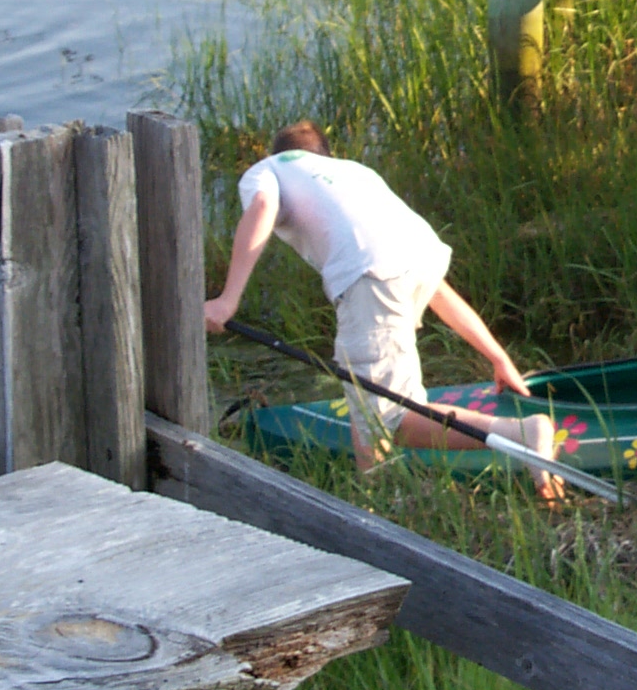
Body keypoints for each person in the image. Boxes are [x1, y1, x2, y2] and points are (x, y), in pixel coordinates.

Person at [202, 120, 563, 499]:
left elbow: (262, 206)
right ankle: (377, 496)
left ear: (277, 154)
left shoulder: (267, 169)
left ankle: (519, 434)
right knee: (372, 401)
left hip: (368, 275)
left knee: (390, 420)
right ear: (324, 154)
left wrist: (228, 300)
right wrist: (497, 356)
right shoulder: (354, 172)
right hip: (420, 257)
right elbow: (440, 293)